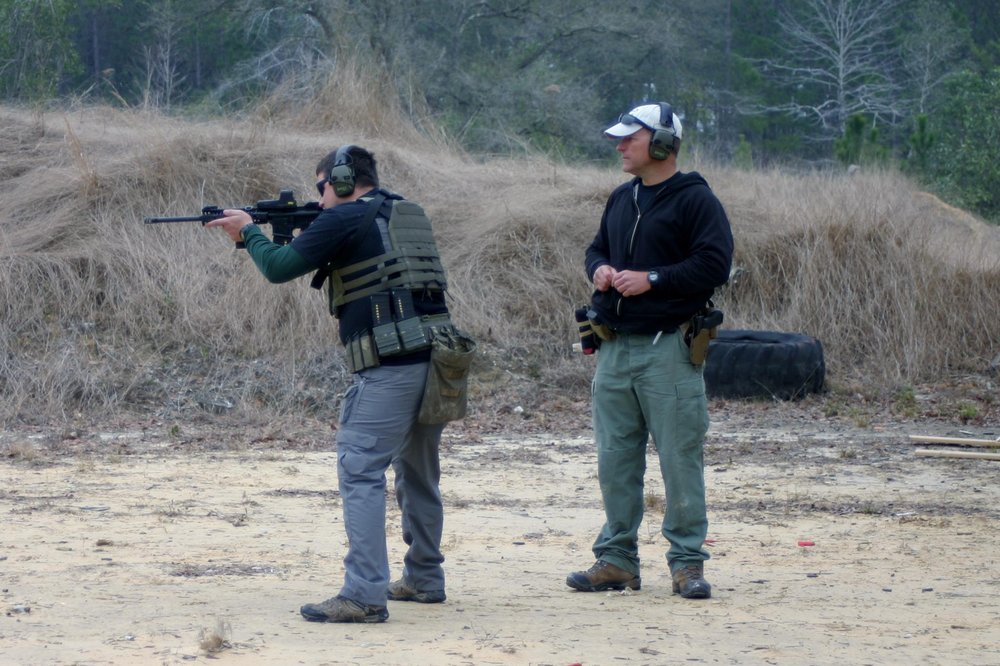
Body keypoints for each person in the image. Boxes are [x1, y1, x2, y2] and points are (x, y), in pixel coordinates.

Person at [207, 145, 452, 623]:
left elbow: (279, 268)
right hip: (438, 361)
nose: (319, 201)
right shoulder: (406, 211)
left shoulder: (342, 218)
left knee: (359, 468)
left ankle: (363, 594)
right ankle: (424, 577)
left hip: (390, 365)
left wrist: (249, 233)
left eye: (322, 188)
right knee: (417, 471)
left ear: (341, 181)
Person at [566, 103, 733, 599]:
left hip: (669, 351)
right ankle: (616, 559)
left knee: (680, 460)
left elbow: (714, 265)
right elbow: (596, 249)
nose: (619, 146)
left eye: (628, 139)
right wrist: (597, 269)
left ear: (661, 144)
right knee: (615, 458)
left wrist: (653, 279)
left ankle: (687, 565)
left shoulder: (696, 201)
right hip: (615, 350)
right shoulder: (622, 198)